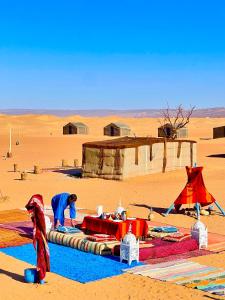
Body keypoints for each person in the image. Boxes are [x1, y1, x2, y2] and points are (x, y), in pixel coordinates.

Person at [25, 194, 50, 284]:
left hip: (39, 235)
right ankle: (41, 278)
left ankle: (41, 277)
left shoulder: (34, 212)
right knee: (42, 256)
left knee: (41, 256)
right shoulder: (39, 212)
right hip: (41, 235)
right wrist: (44, 234)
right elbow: (42, 223)